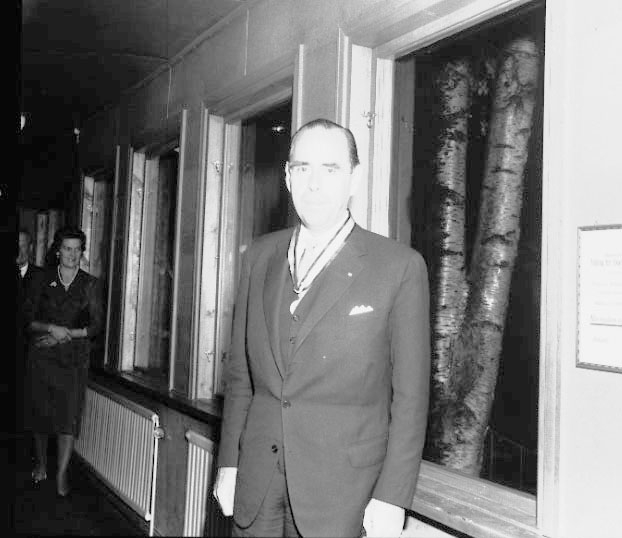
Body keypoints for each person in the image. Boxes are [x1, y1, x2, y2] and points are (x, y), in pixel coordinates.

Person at [213, 118, 431, 537]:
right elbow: (241, 377)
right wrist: (229, 463)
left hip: (343, 495)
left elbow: (411, 398)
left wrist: (392, 497)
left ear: (354, 179)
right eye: (302, 168)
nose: (314, 184)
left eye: (330, 169)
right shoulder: (259, 256)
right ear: (287, 177)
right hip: (256, 482)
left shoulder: (399, 267)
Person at [22, 225, 103, 497]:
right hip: (42, 357)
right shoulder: (41, 279)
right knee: (41, 414)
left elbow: (96, 326)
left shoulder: (90, 284)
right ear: (58, 251)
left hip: (74, 360)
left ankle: (62, 474)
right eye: (67, 249)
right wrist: (50, 328)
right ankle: (41, 464)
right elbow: (27, 320)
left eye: (77, 249)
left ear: (82, 252)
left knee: (68, 417)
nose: (72, 254)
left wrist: (65, 334)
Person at [16, 229, 44, 426]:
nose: (19, 251)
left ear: (31, 248)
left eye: (23, 245)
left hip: (32, 358)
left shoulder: (42, 278)